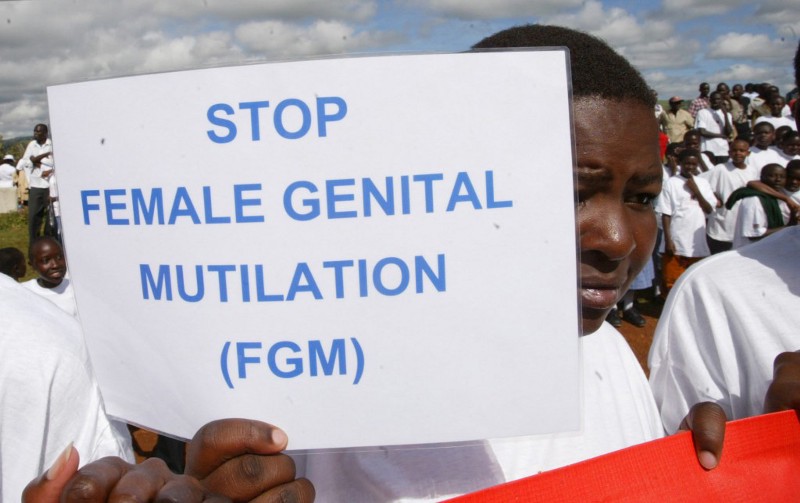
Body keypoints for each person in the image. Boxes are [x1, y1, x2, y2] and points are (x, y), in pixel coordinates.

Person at [286, 25, 726, 502]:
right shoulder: (336, 395)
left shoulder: (609, 355)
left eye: (642, 198)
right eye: (571, 193)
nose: (618, 240)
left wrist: (682, 470)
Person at [657, 148, 717, 295]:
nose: (690, 167)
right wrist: (668, 240)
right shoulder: (671, 183)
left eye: (693, 164)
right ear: (680, 163)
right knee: (672, 282)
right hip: (676, 240)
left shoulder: (703, 183)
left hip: (697, 242)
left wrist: (696, 191)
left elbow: (709, 209)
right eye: (687, 163)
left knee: (694, 283)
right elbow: (666, 214)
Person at [704, 138, 758, 254]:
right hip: (722, 222)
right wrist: (713, 198)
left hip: (743, 220)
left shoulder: (753, 172)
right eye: (734, 150)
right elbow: (701, 182)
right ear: (729, 153)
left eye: (741, 150)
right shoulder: (721, 169)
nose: (738, 153)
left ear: (748, 153)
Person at [727, 163, 794, 249]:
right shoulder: (754, 200)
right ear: (762, 177)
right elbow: (755, 234)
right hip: (749, 252)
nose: (778, 179)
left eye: (782, 177)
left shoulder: (779, 196)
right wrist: (789, 226)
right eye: (772, 176)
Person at [22, 236, 77, 316]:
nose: (55, 265)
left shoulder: (76, 288)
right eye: (46, 260)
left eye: (59, 257)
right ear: (32, 265)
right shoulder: (24, 291)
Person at [17, 124, 54, 243]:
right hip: (35, 185)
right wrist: (41, 161)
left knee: (51, 216)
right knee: (33, 217)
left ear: (45, 133)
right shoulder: (32, 145)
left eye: (38, 132)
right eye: (35, 131)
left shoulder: (52, 144)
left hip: (50, 185)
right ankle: (34, 245)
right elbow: (26, 162)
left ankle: (50, 242)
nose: (35, 134)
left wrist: (37, 161)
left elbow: (55, 163)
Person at [694, 91, 734, 165]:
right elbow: (702, 131)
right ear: (710, 100)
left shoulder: (728, 115)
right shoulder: (703, 112)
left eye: (718, 99)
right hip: (707, 149)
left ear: (722, 100)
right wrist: (720, 135)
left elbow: (728, 133)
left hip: (723, 150)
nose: (716, 101)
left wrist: (725, 115)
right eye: (714, 99)